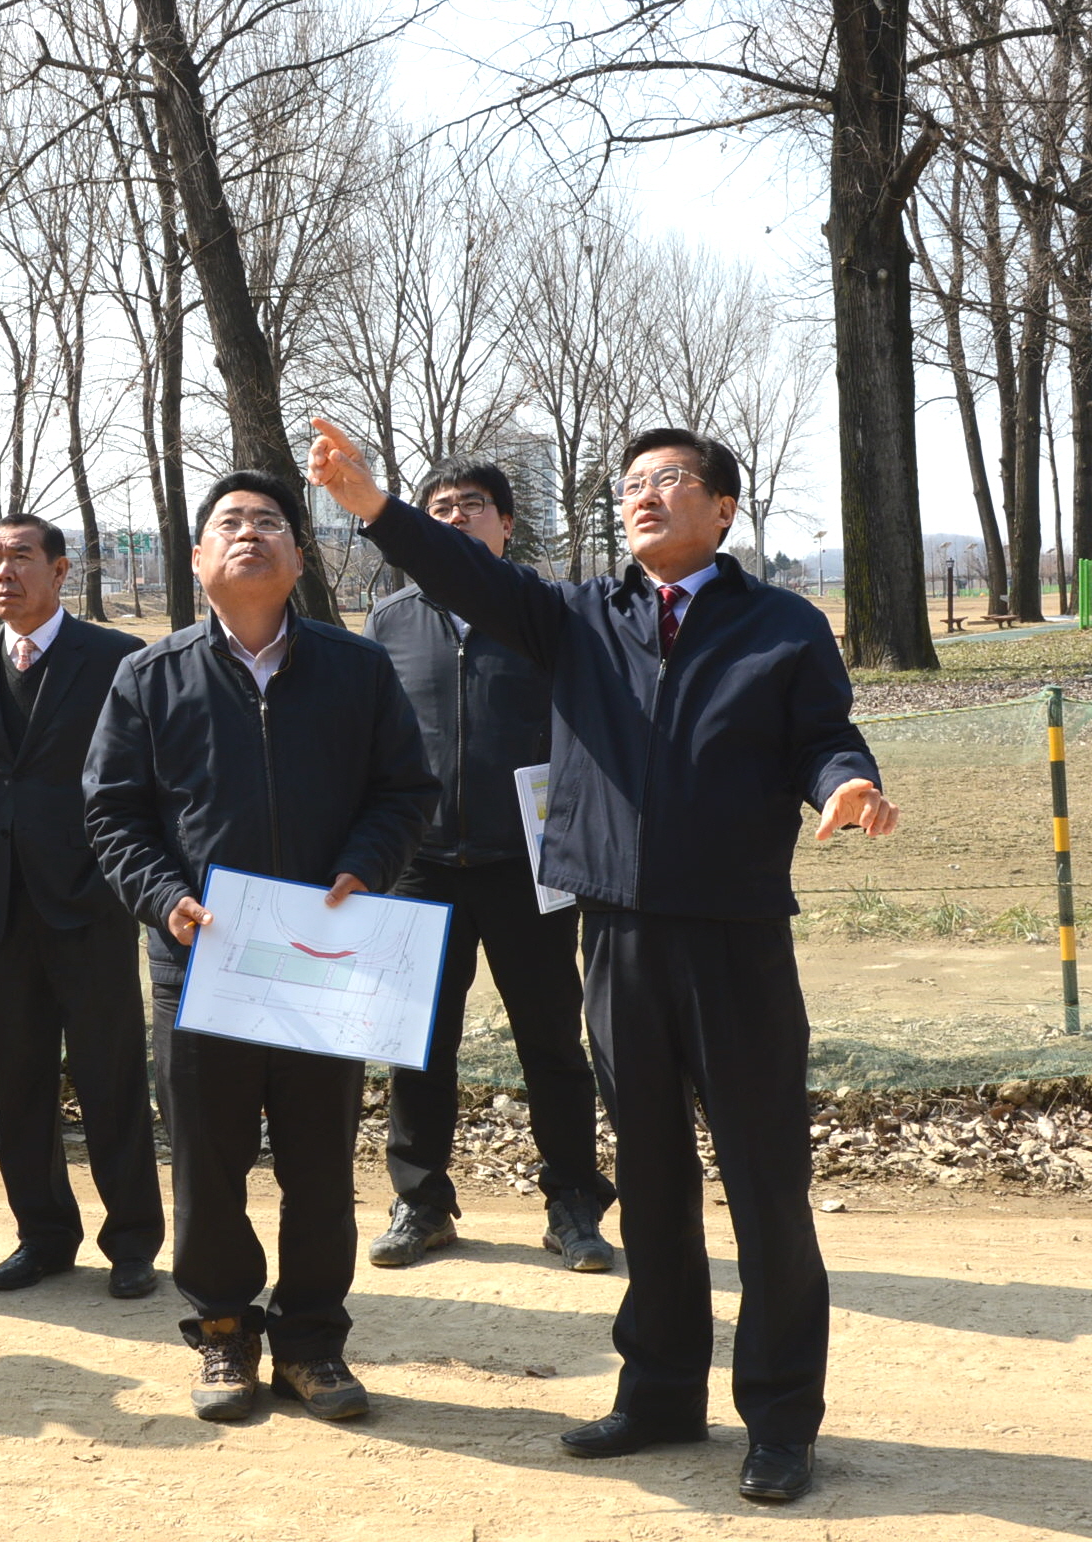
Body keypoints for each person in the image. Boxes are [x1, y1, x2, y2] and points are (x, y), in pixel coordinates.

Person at [309, 418, 897, 1505]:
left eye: (672, 481)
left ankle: (778, 1418)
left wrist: (844, 786)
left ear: (723, 509)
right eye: (632, 483)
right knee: (654, 1177)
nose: (646, 496)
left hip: (735, 939)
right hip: (617, 933)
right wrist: (373, 505)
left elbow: (825, 733)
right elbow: (466, 573)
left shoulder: (781, 626)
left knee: (766, 1183)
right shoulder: (579, 616)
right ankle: (662, 1391)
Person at [84, 470, 437, 1423]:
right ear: (198, 559)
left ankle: (313, 1344)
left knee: (320, 1167)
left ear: (300, 556)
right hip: (204, 968)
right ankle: (226, 1337)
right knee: (207, 1165)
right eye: (228, 523)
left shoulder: (355, 671)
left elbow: (406, 790)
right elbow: (112, 814)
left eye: (271, 523)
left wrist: (365, 868)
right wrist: (166, 900)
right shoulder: (148, 678)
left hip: (325, 965)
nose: (250, 534)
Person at [361, 459, 615, 1273]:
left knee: (550, 1041)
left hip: (529, 866)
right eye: (438, 507)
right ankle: (421, 1201)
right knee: (415, 1042)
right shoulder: (389, 621)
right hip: (420, 866)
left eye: (474, 505)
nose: (455, 516)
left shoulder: (546, 617)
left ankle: (573, 1200)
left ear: (506, 526)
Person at [0, 514, 165, 1299]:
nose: (4, 571)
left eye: (21, 557)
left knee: (110, 1080)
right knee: (20, 1086)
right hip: (1, 912)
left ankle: (132, 1240)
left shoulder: (116, 659)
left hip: (91, 904)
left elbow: (145, 782)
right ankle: (42, 1235)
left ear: (60, 570)